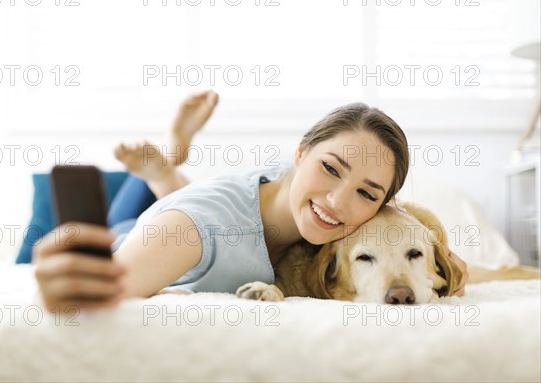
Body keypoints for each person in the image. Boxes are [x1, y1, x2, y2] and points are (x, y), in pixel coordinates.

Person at [33, 91, 468, 311]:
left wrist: (445, 257)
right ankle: (165, 166)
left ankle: (166, 173)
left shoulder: (356, 217)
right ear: (300, 153)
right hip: (146, 233)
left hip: (203, 211)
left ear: (382, 206)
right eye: (330, 168)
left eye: (366, 193)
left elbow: (404, 238)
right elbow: (103, 292)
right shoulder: (194, 226)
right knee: (162, 219)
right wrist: (63, 286)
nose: (337, 201)